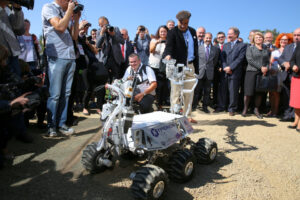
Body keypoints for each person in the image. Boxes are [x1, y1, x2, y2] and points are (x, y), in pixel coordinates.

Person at [42, 0, 80, 137]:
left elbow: (75, 37)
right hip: (56, 56)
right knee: (55, 94)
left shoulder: (67, 13)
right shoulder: (48, 7)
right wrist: (70, 11)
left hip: (70, 56)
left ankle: (62, 124)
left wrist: (76, 20)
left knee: (66, 94)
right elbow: (59, 27)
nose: (72, 2)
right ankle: (51, 126)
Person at [163, 10, 199, 123]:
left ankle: (187, 116)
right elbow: (168, 46)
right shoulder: (172, 32)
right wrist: (168, 55)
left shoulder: (193, 31)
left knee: (189, 93)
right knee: (176, 92)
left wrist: (197, 67)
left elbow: (196, 49)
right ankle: (174, 117)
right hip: (177, 67)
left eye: (186, 23)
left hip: (191, 65)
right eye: (181, 23)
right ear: (178, 21)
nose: (183, 26)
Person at [215, 27, 247, 116]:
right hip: (225, 72)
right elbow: (222, 58)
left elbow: (240, 58)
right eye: (228, 33)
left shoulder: (243, 45)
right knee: (223, 90)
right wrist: (225, 67)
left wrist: (231, 68)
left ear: (236, 35)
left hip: (235, 72)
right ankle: (221, 106)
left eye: (230, 34)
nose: (228, 35)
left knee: (233, 91)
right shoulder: (225, 45)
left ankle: (232, 109)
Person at [242, 32, 270, 119]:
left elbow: (268, 61)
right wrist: (260, 67)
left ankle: (256, 110)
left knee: (259, 92)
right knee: (248, 92)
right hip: (251, 71)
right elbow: (249, 60)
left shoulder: (266, 49)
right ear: (254, 39)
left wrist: (266, 68)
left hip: (263, 73)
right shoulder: (250, 48)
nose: (259, 39)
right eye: (257, 37)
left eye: (260, 37)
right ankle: (245, 109)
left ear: (263, 39)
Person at [192, 32, 220, 113]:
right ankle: (194, 106)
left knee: (207, 91)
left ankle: (205, 107)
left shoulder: (215, 49)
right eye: (207, 38)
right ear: (204, 39)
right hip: (199, 72)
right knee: (197, 91)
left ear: (211, 39)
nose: (208, 39)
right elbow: (195, 60)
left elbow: (214, 61)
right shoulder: (198, 48)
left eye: (210, 38)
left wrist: (209, 68)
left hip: (209, 73)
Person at [267, 33, 293, 117]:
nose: (283, 41)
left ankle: (278, 111)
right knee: (273, 93)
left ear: (289, 41)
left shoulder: (291, 51)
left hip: (285, 75)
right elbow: (270, 63)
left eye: (285, 40)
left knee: (284, 94)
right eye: (282, 40)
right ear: (279, 41)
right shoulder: (274, 52)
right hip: (274, 74)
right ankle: (272, 110)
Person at [278, 28, 300, 122]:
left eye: (298, 35)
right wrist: (284, 63)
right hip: (286, 75)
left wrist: (291, 64)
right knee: (287, 96)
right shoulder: (288, 47)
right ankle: (288, 115)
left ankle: (296, 117)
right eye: (295, 35)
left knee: (297, 97)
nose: (296, 37)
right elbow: (280, 58)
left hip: (297, 75)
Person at [0, 1, 25, 77]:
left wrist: (17, 10)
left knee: (17, 83)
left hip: (13, 53)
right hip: (1, 55)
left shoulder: (8, 9)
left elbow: (19, 29)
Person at [96, 16, 124, 81]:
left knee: (115, 79)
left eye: (103, 24)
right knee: (105, 79)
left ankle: (114, 91)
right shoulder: (99, 32)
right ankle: (107, 91)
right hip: (104, 59)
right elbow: (98, 45)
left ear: (108, 23)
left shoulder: (115, 29)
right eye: (101, 25)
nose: (101, 26)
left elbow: (122, 41)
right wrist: (102, 34)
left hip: (115, 59)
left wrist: (113, 35)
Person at [149, 25, 169, 108]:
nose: (163, 33)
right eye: (161, 31)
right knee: (152, 85)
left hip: (162, 67)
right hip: (153, 66)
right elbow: (151, 50)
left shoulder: (169, 42)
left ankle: (159, 103)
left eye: (164, 31)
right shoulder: (154, 40)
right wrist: (157, 42)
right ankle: (151, 102)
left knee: (161, 86)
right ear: (159, 32)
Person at [289, 42, 300, 132]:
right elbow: (292, 60)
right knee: (296, 101)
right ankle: (296, 120)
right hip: (296, 76)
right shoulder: (299, 45)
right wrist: (293, 65)